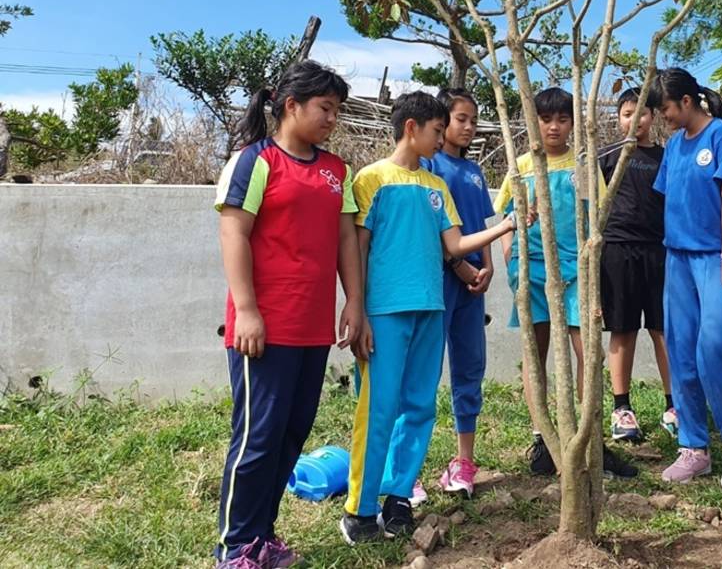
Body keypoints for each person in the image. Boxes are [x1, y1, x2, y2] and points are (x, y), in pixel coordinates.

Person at [339, 92, 519, 546]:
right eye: (438, 130)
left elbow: (455, 246)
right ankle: (359, 508)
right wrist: (356, 308)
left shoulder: (437, 188)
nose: (443, 139)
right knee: (379, 407)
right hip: (384, 313)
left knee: (420, 406)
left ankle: (399, 498)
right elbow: (356, 250)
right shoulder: (370, 179)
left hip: (431, 309)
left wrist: (505, 226)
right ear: (411, 128)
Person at [212, 60, 364, 569]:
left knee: (291, 434)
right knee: (257, 437)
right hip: (264, 327)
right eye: (325, 107)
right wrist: (248, 311)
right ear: (291, 105)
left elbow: (346, 239)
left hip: (311, 326)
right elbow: (233, 233)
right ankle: (234, 548)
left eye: (337, 110)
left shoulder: (336, 171)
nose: (332, 118)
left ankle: (262, 538)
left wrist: (355, 303)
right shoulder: (253, 162)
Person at [494, 86, 637, 480]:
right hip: (533, 270)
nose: (554, 127)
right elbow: (507, 216)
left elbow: (597, 220)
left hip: (577, 272)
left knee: (587, 352)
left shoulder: (584, 166)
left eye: (562, 119)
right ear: (534, 122)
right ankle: (544, 440)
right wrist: (511, 257)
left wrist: (591, 268)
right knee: (535, 352)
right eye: (545, 119)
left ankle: (591, 442)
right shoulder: (520, 167)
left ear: (574, 124)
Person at [649, 68, 722, 496]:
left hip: (716, 258)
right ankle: (693, 447)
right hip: (677, 258)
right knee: (681, 351)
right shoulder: (674, 146)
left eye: (667, 109)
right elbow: (667, 200)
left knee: (714, 344)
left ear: (687, 102)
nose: (664, 117)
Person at [424, 87, 495, 498]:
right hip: (439, 280)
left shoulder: (474, 172)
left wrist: (485, 268)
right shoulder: (429, 166)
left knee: (470, 368)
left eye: (473, 120)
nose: (468, 127)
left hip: (472, 286)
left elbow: (482, 222)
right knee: (425, 372)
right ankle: (410, 466)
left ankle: (464, 460)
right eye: (460, 119)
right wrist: (460, 266)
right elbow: (433, 227)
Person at [598, 88, 675, 443]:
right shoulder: (607, 158)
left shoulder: (666, 156)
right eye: (628, 113)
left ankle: (674, 406)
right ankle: (622, 408)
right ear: (618, 118)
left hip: (660, 250)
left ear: (653, 117)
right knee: (623, 329)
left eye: (643, 113)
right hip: (617, 250)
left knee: (663, 331)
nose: (636, 119)